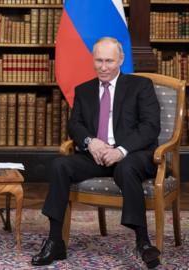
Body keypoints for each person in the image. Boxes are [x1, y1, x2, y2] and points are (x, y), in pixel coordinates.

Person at [31, 37, 161, 269]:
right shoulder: (84, 90)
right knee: (60, 165)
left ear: (121, 60)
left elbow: (150, 127)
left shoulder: (140, 86)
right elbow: (75, 125)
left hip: (133, 155)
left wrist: (121, 151)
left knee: (126, 167)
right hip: (96, 157)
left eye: (109, 61)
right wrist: (90, 142)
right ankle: (54, 241)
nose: (103, 67)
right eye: (98, 60)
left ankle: (143, 242)